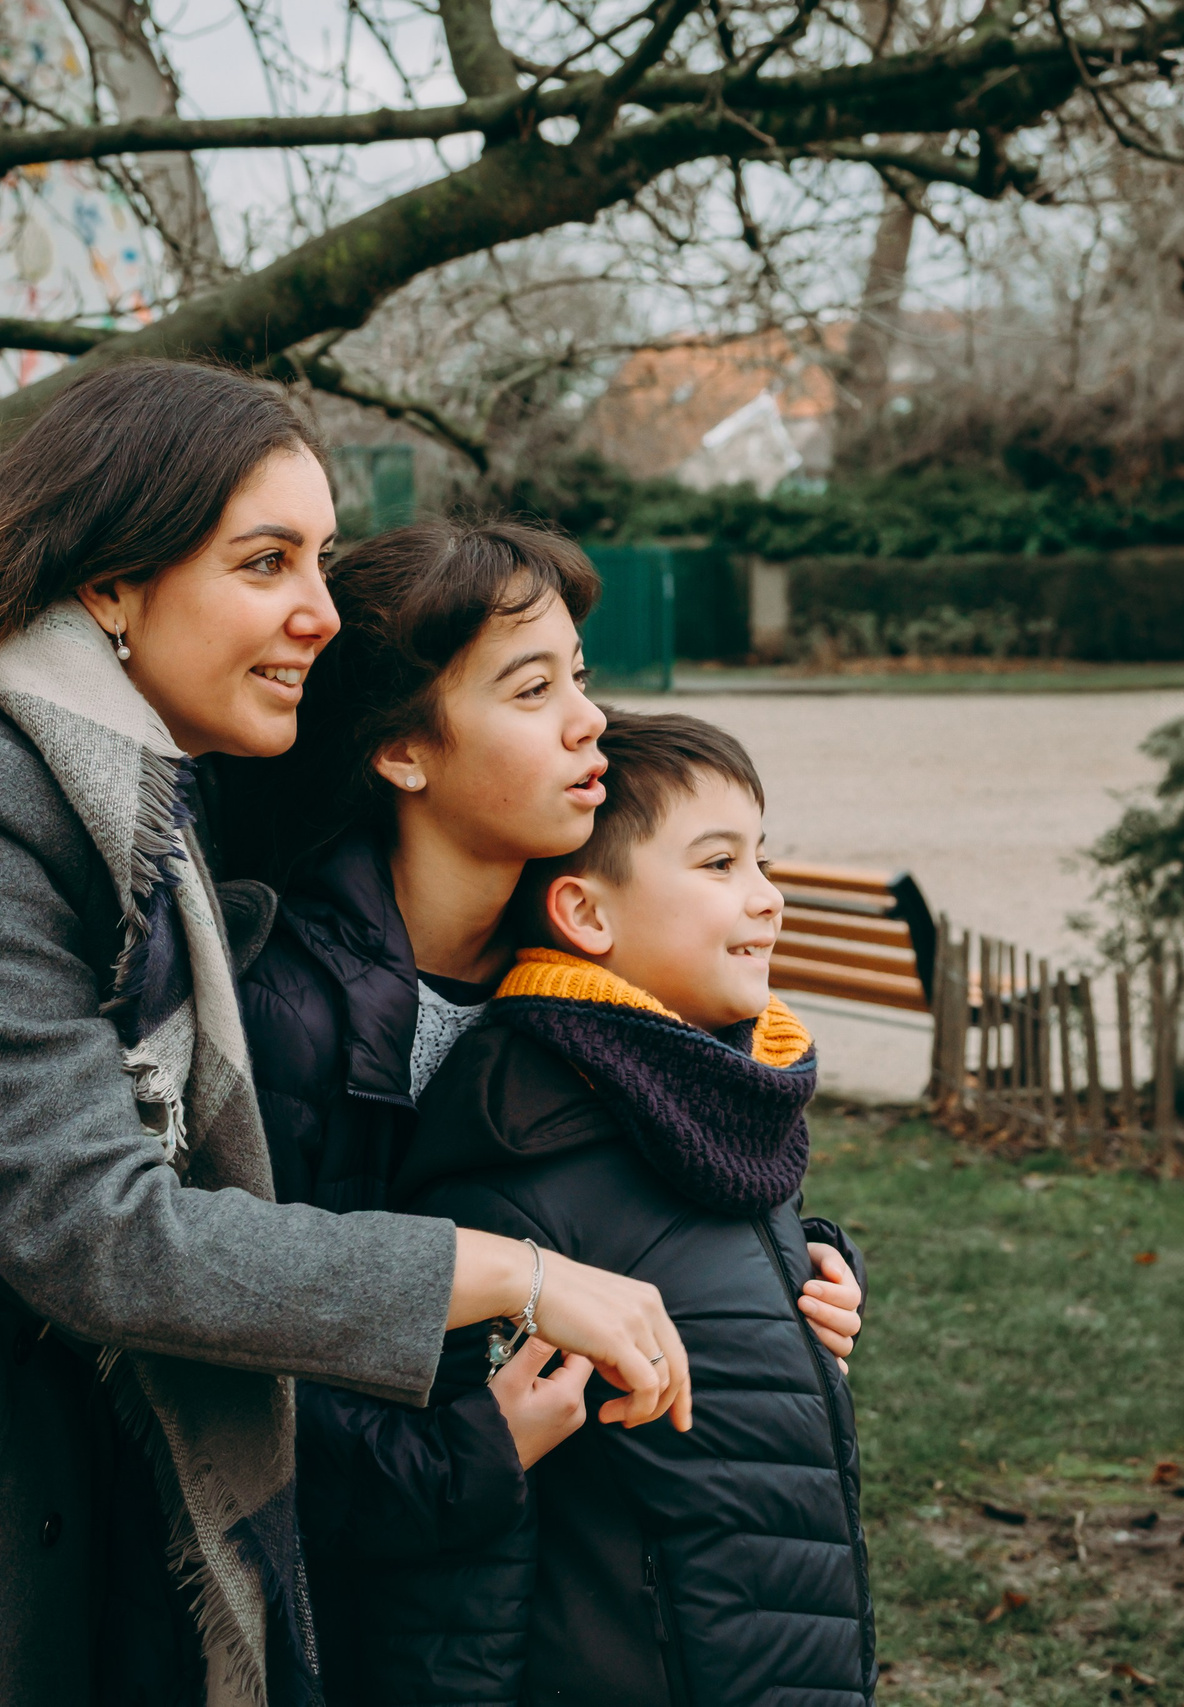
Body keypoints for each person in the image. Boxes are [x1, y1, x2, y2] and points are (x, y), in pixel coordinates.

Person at [0, 358, 694, 1707]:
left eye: (324, 559)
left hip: (32, 1434)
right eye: (266, 562)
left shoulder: (139, 785)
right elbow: (99, 1229)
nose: (318, 613)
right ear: (112, 584)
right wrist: (512, 1272)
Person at [227, 525, 868, 1702]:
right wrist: (472, 1452)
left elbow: (666, 1171)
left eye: (578, 675)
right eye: (533, 689)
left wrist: (795, 1272)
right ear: (404, 755)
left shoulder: (578, 967)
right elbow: (241, 1347)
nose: (591, 721)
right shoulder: (286, 1016)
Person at [390, 709, 875, 1707]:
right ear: (587, 916)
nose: (767, 899)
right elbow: (462, 1585)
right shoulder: (518, 1160)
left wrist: (813, 1267)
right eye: (717, 865)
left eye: (761, 859)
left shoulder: (711, 1104)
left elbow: (697, 1257)